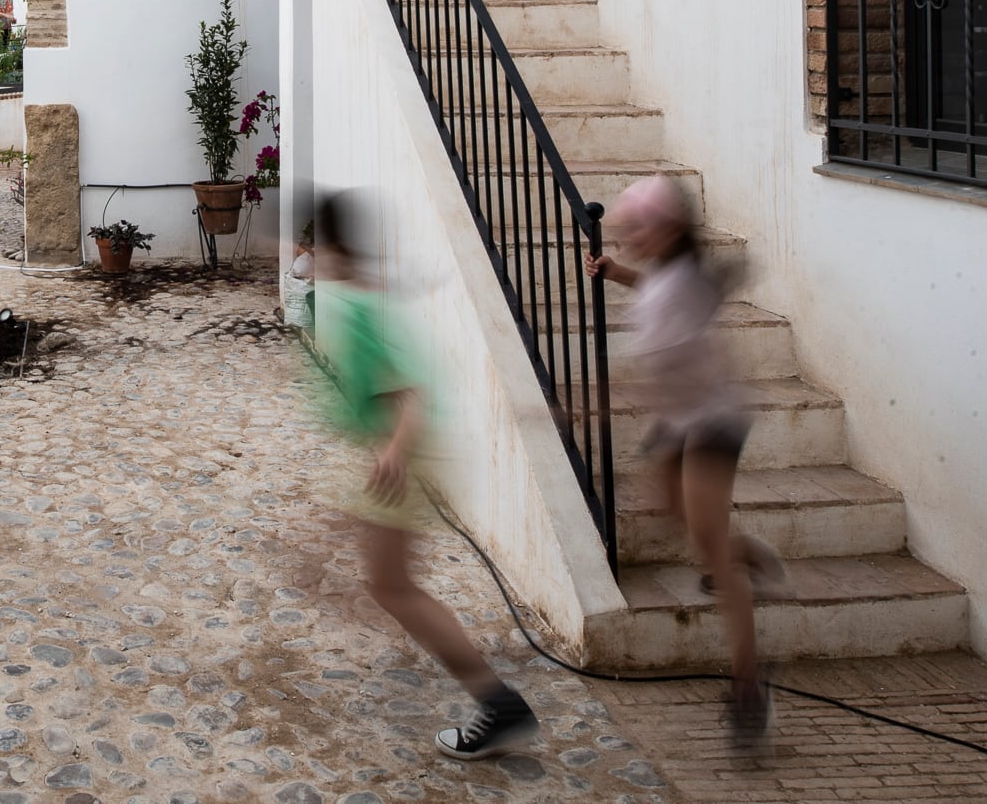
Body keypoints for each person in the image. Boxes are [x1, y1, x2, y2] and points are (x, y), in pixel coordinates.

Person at [310, 191, 537, 760]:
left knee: (394, 587)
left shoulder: (357, 309)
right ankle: (496, 701)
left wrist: (393, 454)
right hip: (394, 460)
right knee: (390, 585)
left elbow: (410, 393)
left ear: (327, 247)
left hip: (399, 464)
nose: (305, 256)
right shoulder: (363, 296)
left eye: (310, 245)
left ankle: (499, 704)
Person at [587, 176, 783, 745]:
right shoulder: (674, 274)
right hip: (682, 420)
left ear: (667, 230)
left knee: (711, 555)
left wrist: (575, 408)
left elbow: (651, 385)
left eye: (633, 230)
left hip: (710, 423)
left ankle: (749, 684)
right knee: (675, 516)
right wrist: (619, 274)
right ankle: (748, 551)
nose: (625, 237)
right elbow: (656, 292)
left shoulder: (680, 286)